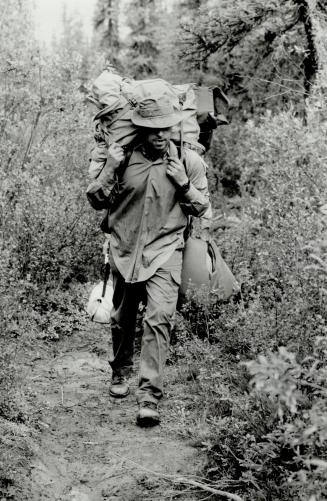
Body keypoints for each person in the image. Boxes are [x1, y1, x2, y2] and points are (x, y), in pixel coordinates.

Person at [86, 95, 210, 427]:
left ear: (173, 126)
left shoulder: (188, 161)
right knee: (122, 319)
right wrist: (110, 167)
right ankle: (120, 370)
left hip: (166, 249)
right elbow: (96, 199)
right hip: (125, 248)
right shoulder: (123, 158)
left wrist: (183, 184)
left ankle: (149, 396)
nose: (159, 135)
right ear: (140, 128)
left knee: (159, 317)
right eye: (151, 129)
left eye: (165, 128)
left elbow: (202, 207)